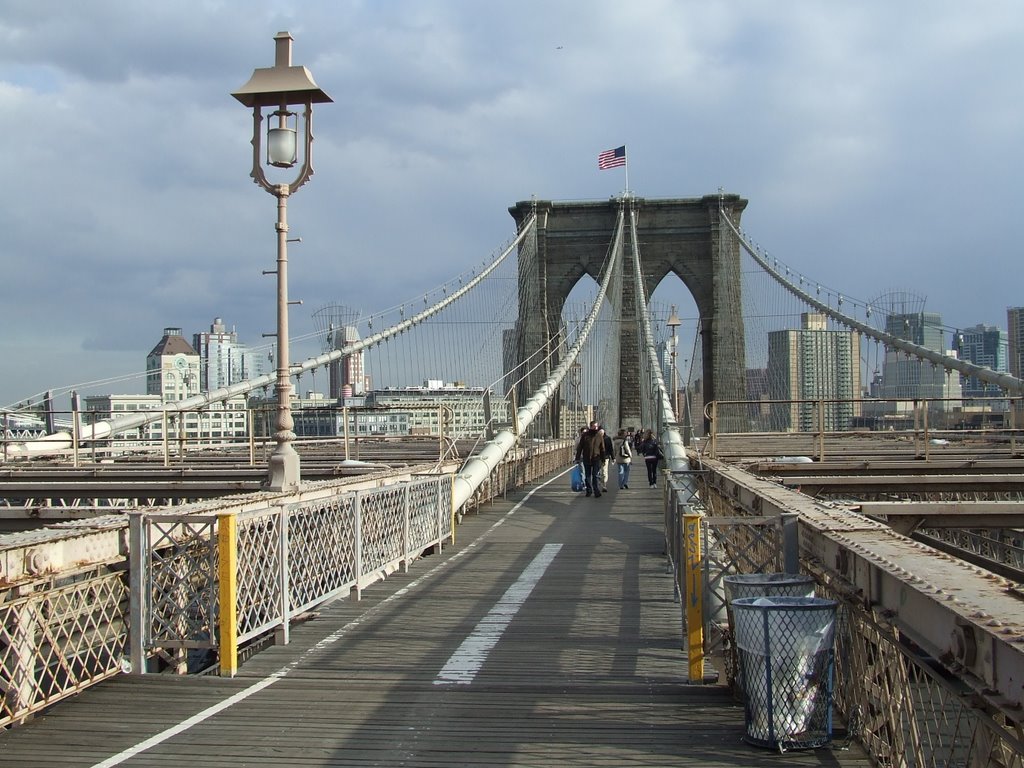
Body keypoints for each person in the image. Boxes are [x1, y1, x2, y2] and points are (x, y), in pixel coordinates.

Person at [575, 420, 606, 498]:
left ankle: (596, 491)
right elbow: (580, 447)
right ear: (591, 426)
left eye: (597, 426)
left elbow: (602, 448)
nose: (596, 428)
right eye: (594, 426)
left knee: (595, 475)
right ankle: (589, 490)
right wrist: (577, 458)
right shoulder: (585, 435)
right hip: (586, 458)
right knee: (587, 475)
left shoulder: (599, 436)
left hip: (596, 458)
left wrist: (603, 459)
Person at [598, 427, 613, 492]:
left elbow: (610, 448)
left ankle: (604, 485)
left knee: (604, 472)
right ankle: (600, 482)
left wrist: (613, 457)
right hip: (597, 457)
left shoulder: (607, 439)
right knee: (597, 472)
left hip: (606, 457)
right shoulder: (596, 438)